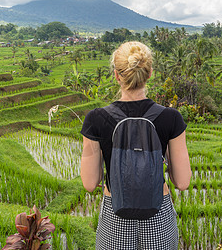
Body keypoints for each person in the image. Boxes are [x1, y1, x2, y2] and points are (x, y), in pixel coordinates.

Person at [80, 41, 191, 249]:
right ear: (149, 74)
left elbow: (89, 183)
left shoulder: (95, 119)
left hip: (115, 216)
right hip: (158, 214)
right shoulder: (171, 118)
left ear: (116, 75)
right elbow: (182, 182)